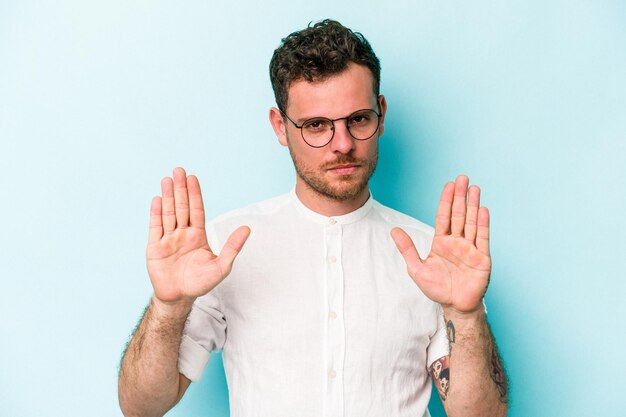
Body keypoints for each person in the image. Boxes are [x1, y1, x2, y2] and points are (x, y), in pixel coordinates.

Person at [118, 19, 508, 417]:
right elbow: (141, 406)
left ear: (381, 114)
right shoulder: (220, 250)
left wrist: (466, 314)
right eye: (316, 125)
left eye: (358, 119)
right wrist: (168, 307)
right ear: (280, 127)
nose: (342, 145)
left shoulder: (434, 256)